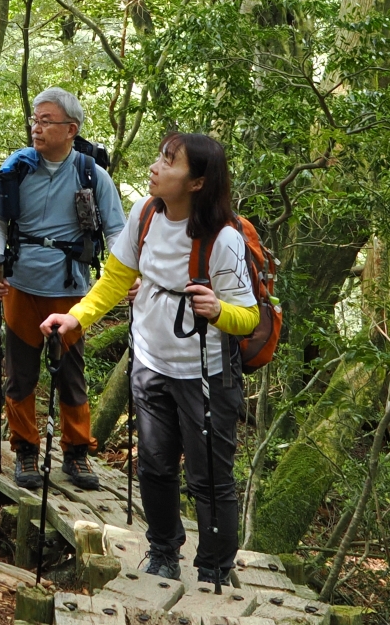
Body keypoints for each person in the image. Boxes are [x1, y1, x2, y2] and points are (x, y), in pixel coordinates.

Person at [40, 132, 257, 586]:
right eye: (160, 156)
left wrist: (219, 311)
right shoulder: (145, 214)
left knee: (209, 475)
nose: (156, 167)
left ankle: (215, 567)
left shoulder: (224, 239)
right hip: (150, 363)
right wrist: (75, 319)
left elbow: (249, 317)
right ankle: (163, 550)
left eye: (169, 162)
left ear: (197, 183)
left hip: (206, 375)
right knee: (155, 465)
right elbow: (115, 279)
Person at [0, 88, 125, 490]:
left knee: (71, 374)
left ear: (71, 129)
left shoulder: (91, 174)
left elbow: (116, 231)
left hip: (69, 289)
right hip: (20, 287)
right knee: (21, 373)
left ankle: (77, 452)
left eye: (46, 120)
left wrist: (126, 276)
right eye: (35, 119)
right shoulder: (17, 170)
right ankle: (26, 450)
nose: (37, 127)